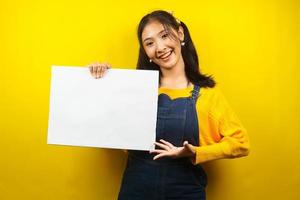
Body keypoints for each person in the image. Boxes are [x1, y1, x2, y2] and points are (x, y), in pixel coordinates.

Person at [88, 10, 250, 200]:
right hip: (135, 191)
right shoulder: (135, 91)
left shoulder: (208, 96)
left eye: (164, 35)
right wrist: (100, 81)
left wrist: (195, 152)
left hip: (186, 193)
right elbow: (106, 127)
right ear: (146, 52)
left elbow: (241, 144)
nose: (160, 47)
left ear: (180, 33)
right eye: (150, 43)